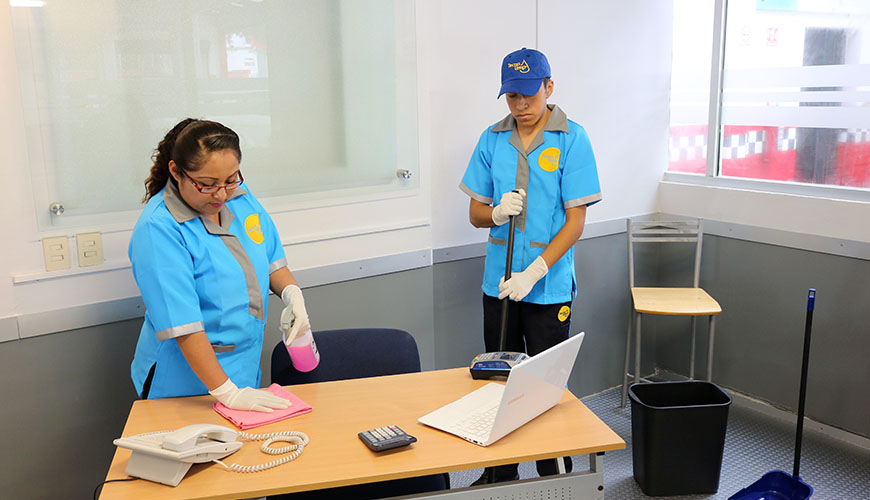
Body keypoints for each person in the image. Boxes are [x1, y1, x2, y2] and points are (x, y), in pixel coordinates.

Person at [459, 48, 602, 484]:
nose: (521, 105)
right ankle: (499, 474)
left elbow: (575, 222)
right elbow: (475, 213)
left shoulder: (571, 139)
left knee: (543, 390)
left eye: (529, 94)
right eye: (512, 96)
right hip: (500, 284)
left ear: (549, 87)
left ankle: (553, 477)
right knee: (498, 382)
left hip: (548, 287)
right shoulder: (492, 138)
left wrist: (536, 271)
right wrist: (495, 212)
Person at [128, 118, 311, 412]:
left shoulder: (238, 196)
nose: (222, 194)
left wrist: (293, 295)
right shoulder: (159, 229)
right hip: (183, 383)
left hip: (242, 369)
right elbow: (183, 326)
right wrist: (228, 393)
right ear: (176, 171)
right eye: (207, 184)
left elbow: (270, 260)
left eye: (230, 179)